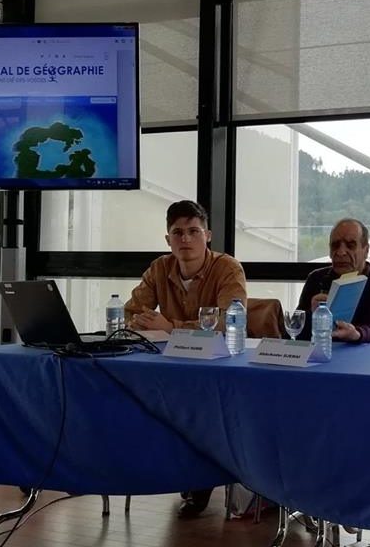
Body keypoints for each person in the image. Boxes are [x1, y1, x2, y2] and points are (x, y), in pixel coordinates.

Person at [125, 200, 247, 518]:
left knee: (196, 405)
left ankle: (200, 479)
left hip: (219, 366)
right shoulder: (159, 268)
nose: (185, 239)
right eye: (178, 232)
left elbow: (227, 321)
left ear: (207, 235)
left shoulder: (227, 268)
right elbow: (132, 313)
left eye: (193, 231)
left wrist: (171, 327)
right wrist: (145, 324)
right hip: (171, 364)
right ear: (168, 240)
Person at [295, 218, 370, 343]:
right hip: (321, 351)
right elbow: (295, 329)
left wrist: (357, 334)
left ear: (366, 250)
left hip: (367, 355)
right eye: (335, 245)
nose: (340, 252)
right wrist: (312, 315)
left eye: (350, 245)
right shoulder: (317, 278)